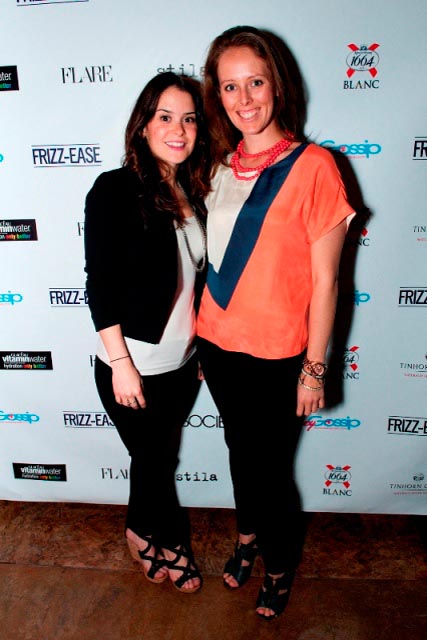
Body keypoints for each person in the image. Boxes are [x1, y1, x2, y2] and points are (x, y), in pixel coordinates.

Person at [197, 26, 355, 618]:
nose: (244, 99)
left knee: (271, 473)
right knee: (240, 453)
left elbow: (327, 282)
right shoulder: (216, 166)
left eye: (255, 82)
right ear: (218, 95)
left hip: (280, 355)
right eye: (230, 86)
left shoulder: (316, 166)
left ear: (277, 86)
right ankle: (247, 538)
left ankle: (280, 564)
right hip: (217, 344)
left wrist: (314, 369)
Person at [84, 71, 210, 594]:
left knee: (155, 459)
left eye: (189, 119)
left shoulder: (192, 190)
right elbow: (100, 284)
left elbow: (197, 279)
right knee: (155, 460)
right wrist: (121, 365)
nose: (178, 130)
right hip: (131, 363)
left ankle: (138, 530)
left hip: (183, 363)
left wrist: (202, 348)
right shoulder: (114, 189)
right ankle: (170, 540)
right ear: (143, 125)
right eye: (165, 117)